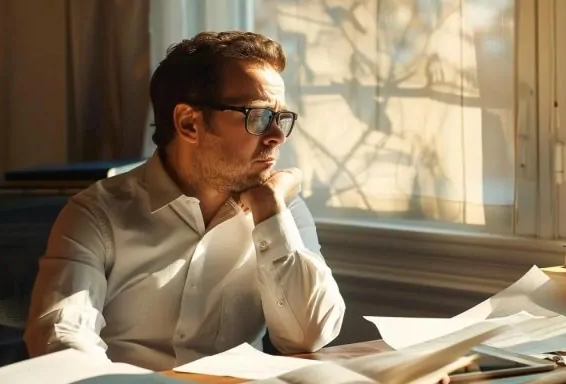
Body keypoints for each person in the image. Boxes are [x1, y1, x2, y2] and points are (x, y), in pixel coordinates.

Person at [23, 31, 346, 371]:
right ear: (189, 123)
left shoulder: (282, 208)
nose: (277, 136)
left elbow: (309, 337)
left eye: (280, 118)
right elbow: (61, 341)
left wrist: (270, 210)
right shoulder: (95, 214)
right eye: (259, 116)